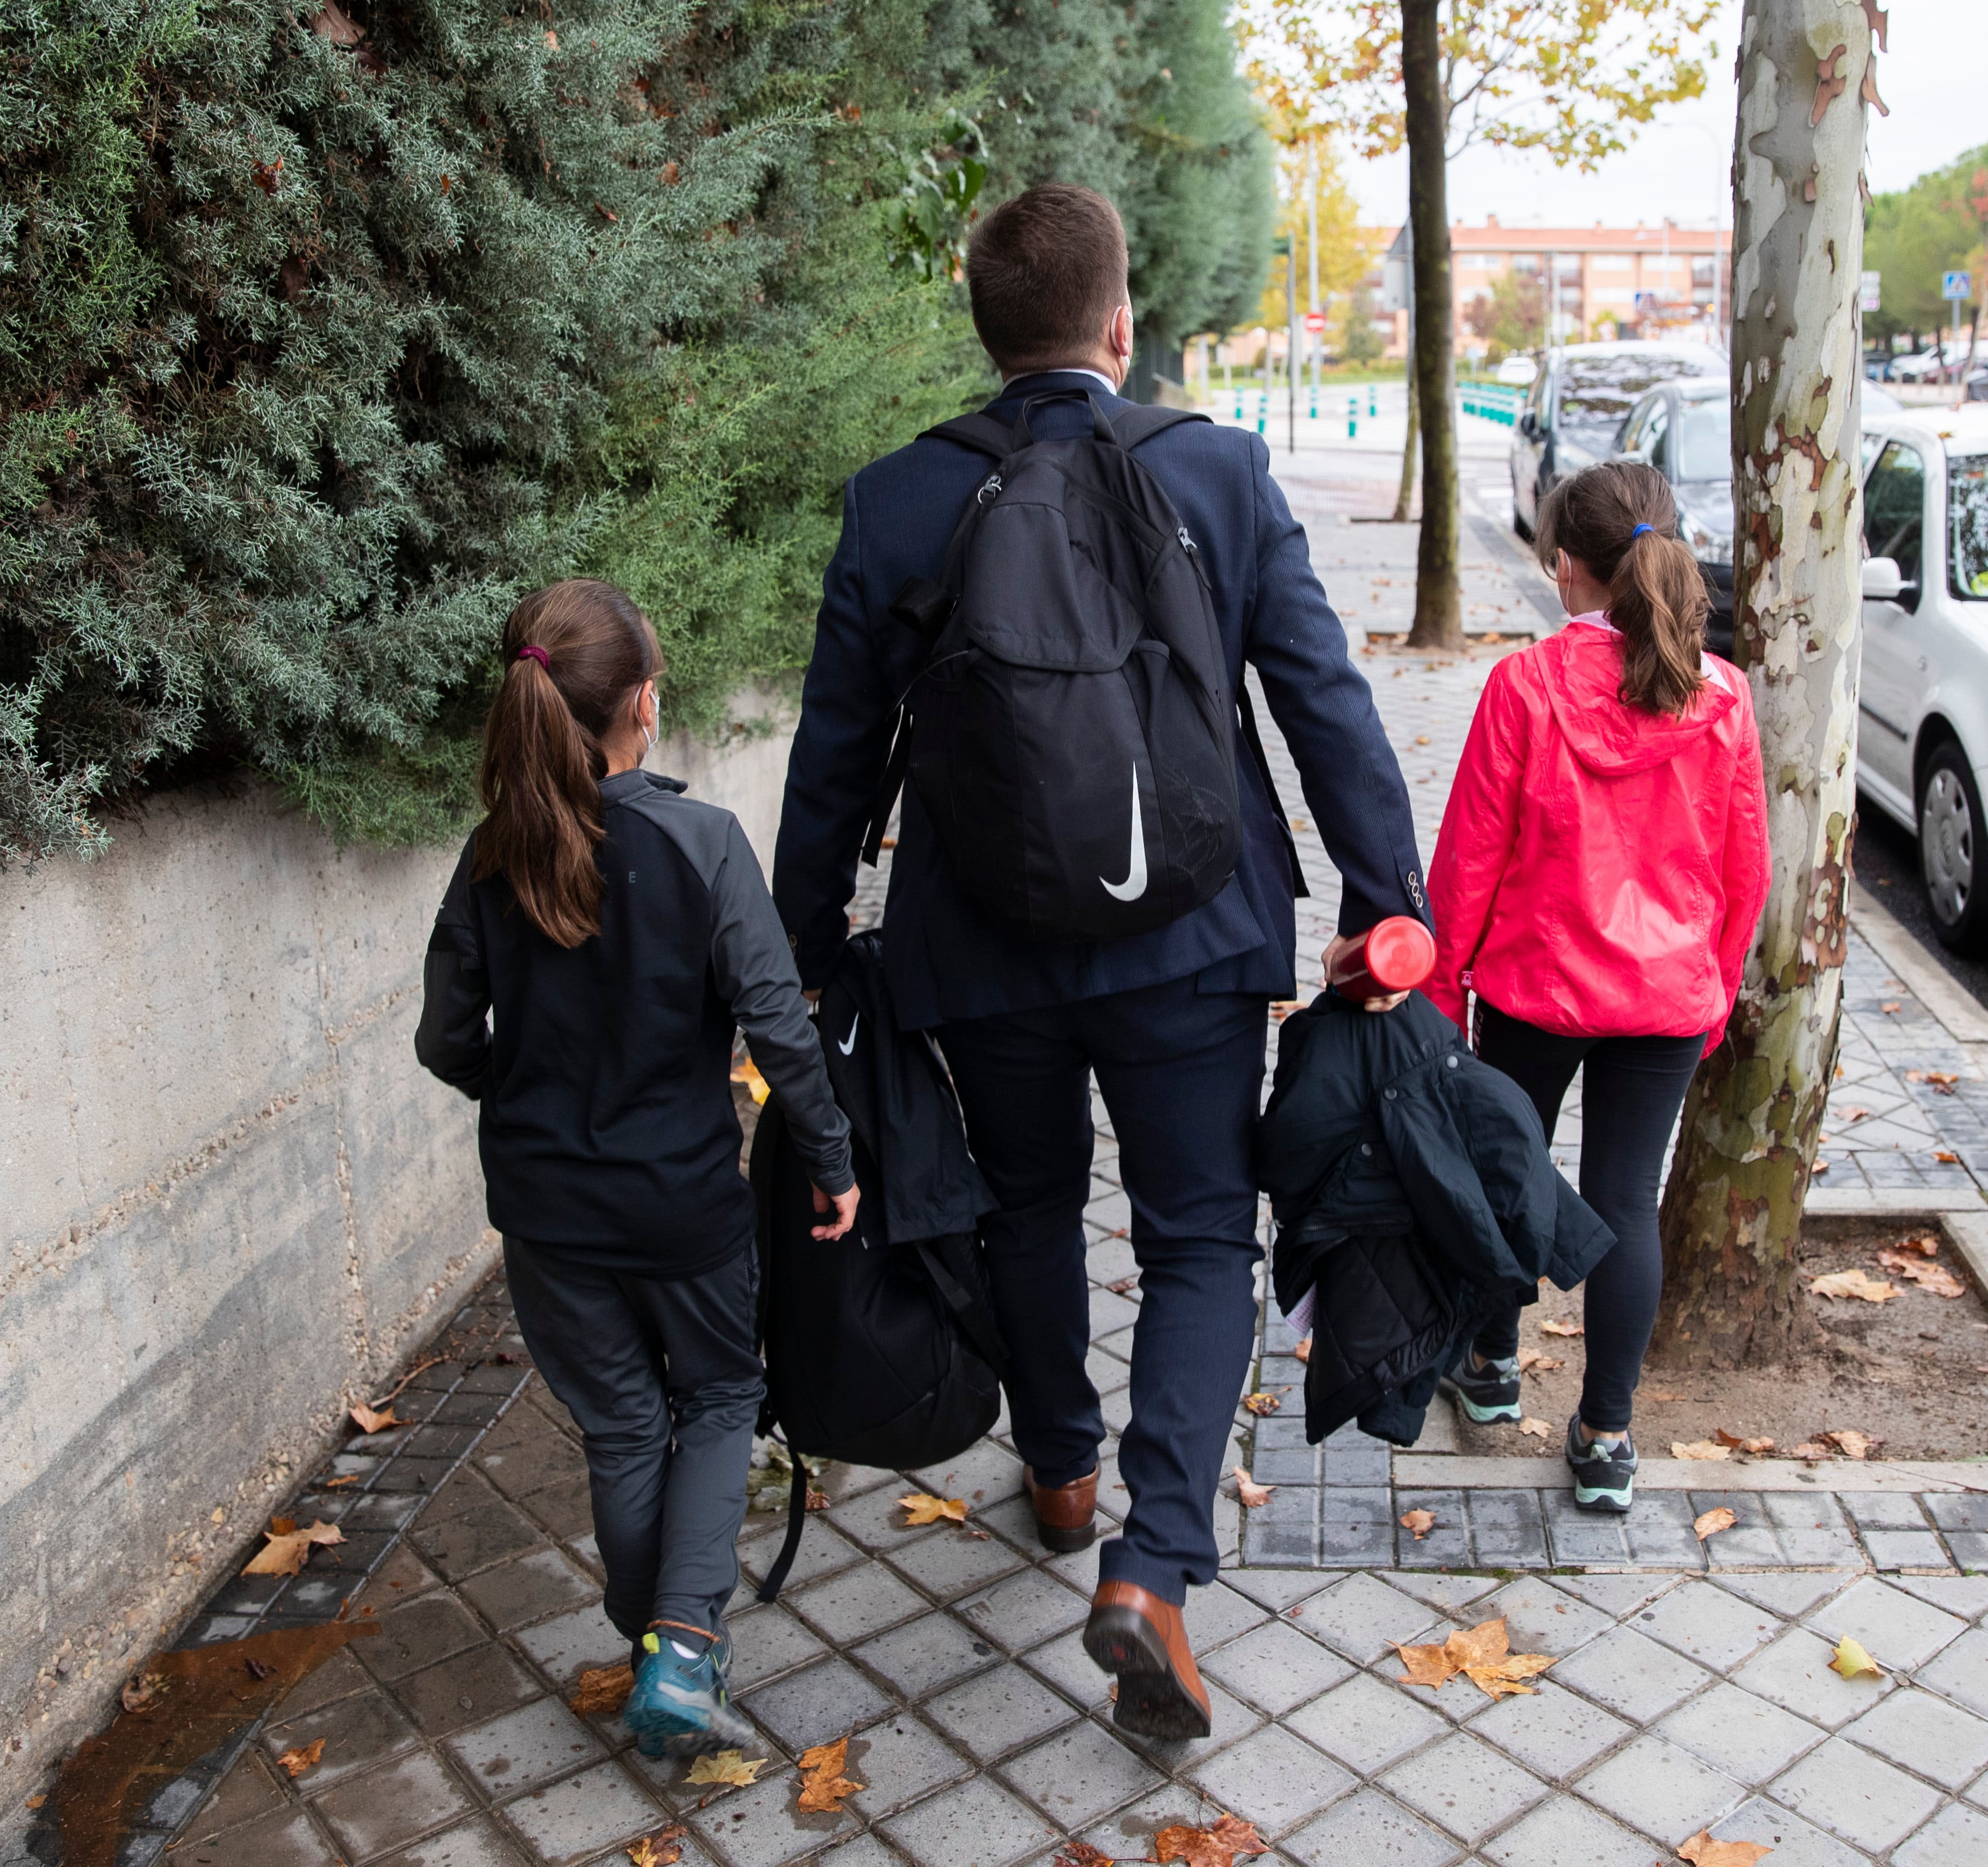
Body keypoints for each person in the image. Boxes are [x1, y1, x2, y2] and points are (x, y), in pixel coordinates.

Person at [773, 184, 1422, 1740]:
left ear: (988, 335)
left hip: (981, 942)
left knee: (1028, 1203)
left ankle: (1059, 1465)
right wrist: (1379, 894)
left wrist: (801, 945)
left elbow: (833, 756)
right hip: (1192, 940)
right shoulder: (1217, 471)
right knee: (1201, 1235)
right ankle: (1155, 1568)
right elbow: (1321, 695)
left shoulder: (898, 501)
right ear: (1121, 328)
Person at [416, 579, 861, 1761]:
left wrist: (522, 1101)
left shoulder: (490, 858)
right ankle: (678, 1645)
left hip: (547, 1214)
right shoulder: (701, 842)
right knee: (717, 1396)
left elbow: (445, 1042)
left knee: (620, 1425)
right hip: (683, 1206)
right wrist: (827, 1155)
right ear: (643, 708)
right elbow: (778, 1023)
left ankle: (646, 1632)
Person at [1419, 462, 1772, 1515]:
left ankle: (1487, 1370)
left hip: (1535, 986)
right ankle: (1608, 1437)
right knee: (1626, 1200)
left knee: (1507, 1174)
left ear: (1568, 567)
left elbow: (1467, 864)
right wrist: (1712, 986)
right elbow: (1743, 865)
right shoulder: (1723, 695)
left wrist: (1442, 996)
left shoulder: (1525, 688)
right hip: (1667, 996)